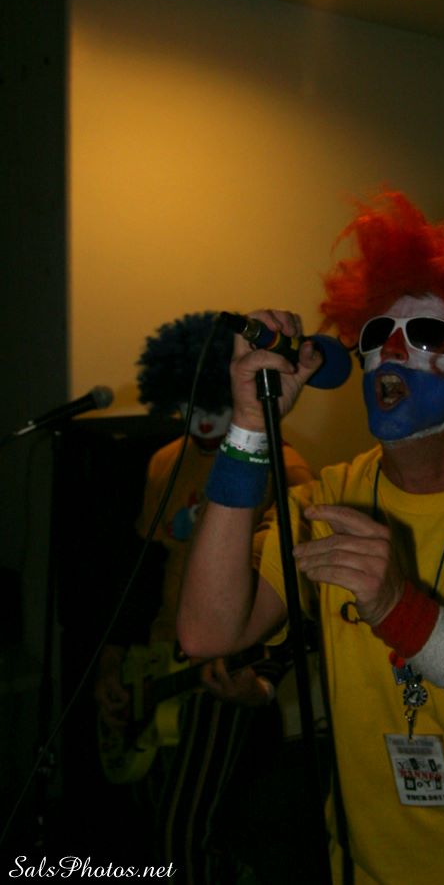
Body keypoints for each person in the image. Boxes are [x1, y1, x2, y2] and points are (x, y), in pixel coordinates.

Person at [176, 192, 444, 885]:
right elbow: (207, 631)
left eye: (428, 334)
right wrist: (250, 427)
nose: (391, 350)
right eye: (376, 333)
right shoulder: (332, 497)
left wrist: (404, 613)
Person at [94, 312, 315, 882]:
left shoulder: (285, 466)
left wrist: (264, 679)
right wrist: (113, 662)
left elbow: (300, 593)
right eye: (188, 405)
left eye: (214, 403)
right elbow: (144, 573)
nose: (202, 419)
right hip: (155, 667)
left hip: (221, 672)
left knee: (185, 836)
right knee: (150, 829)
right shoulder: (164, 463)